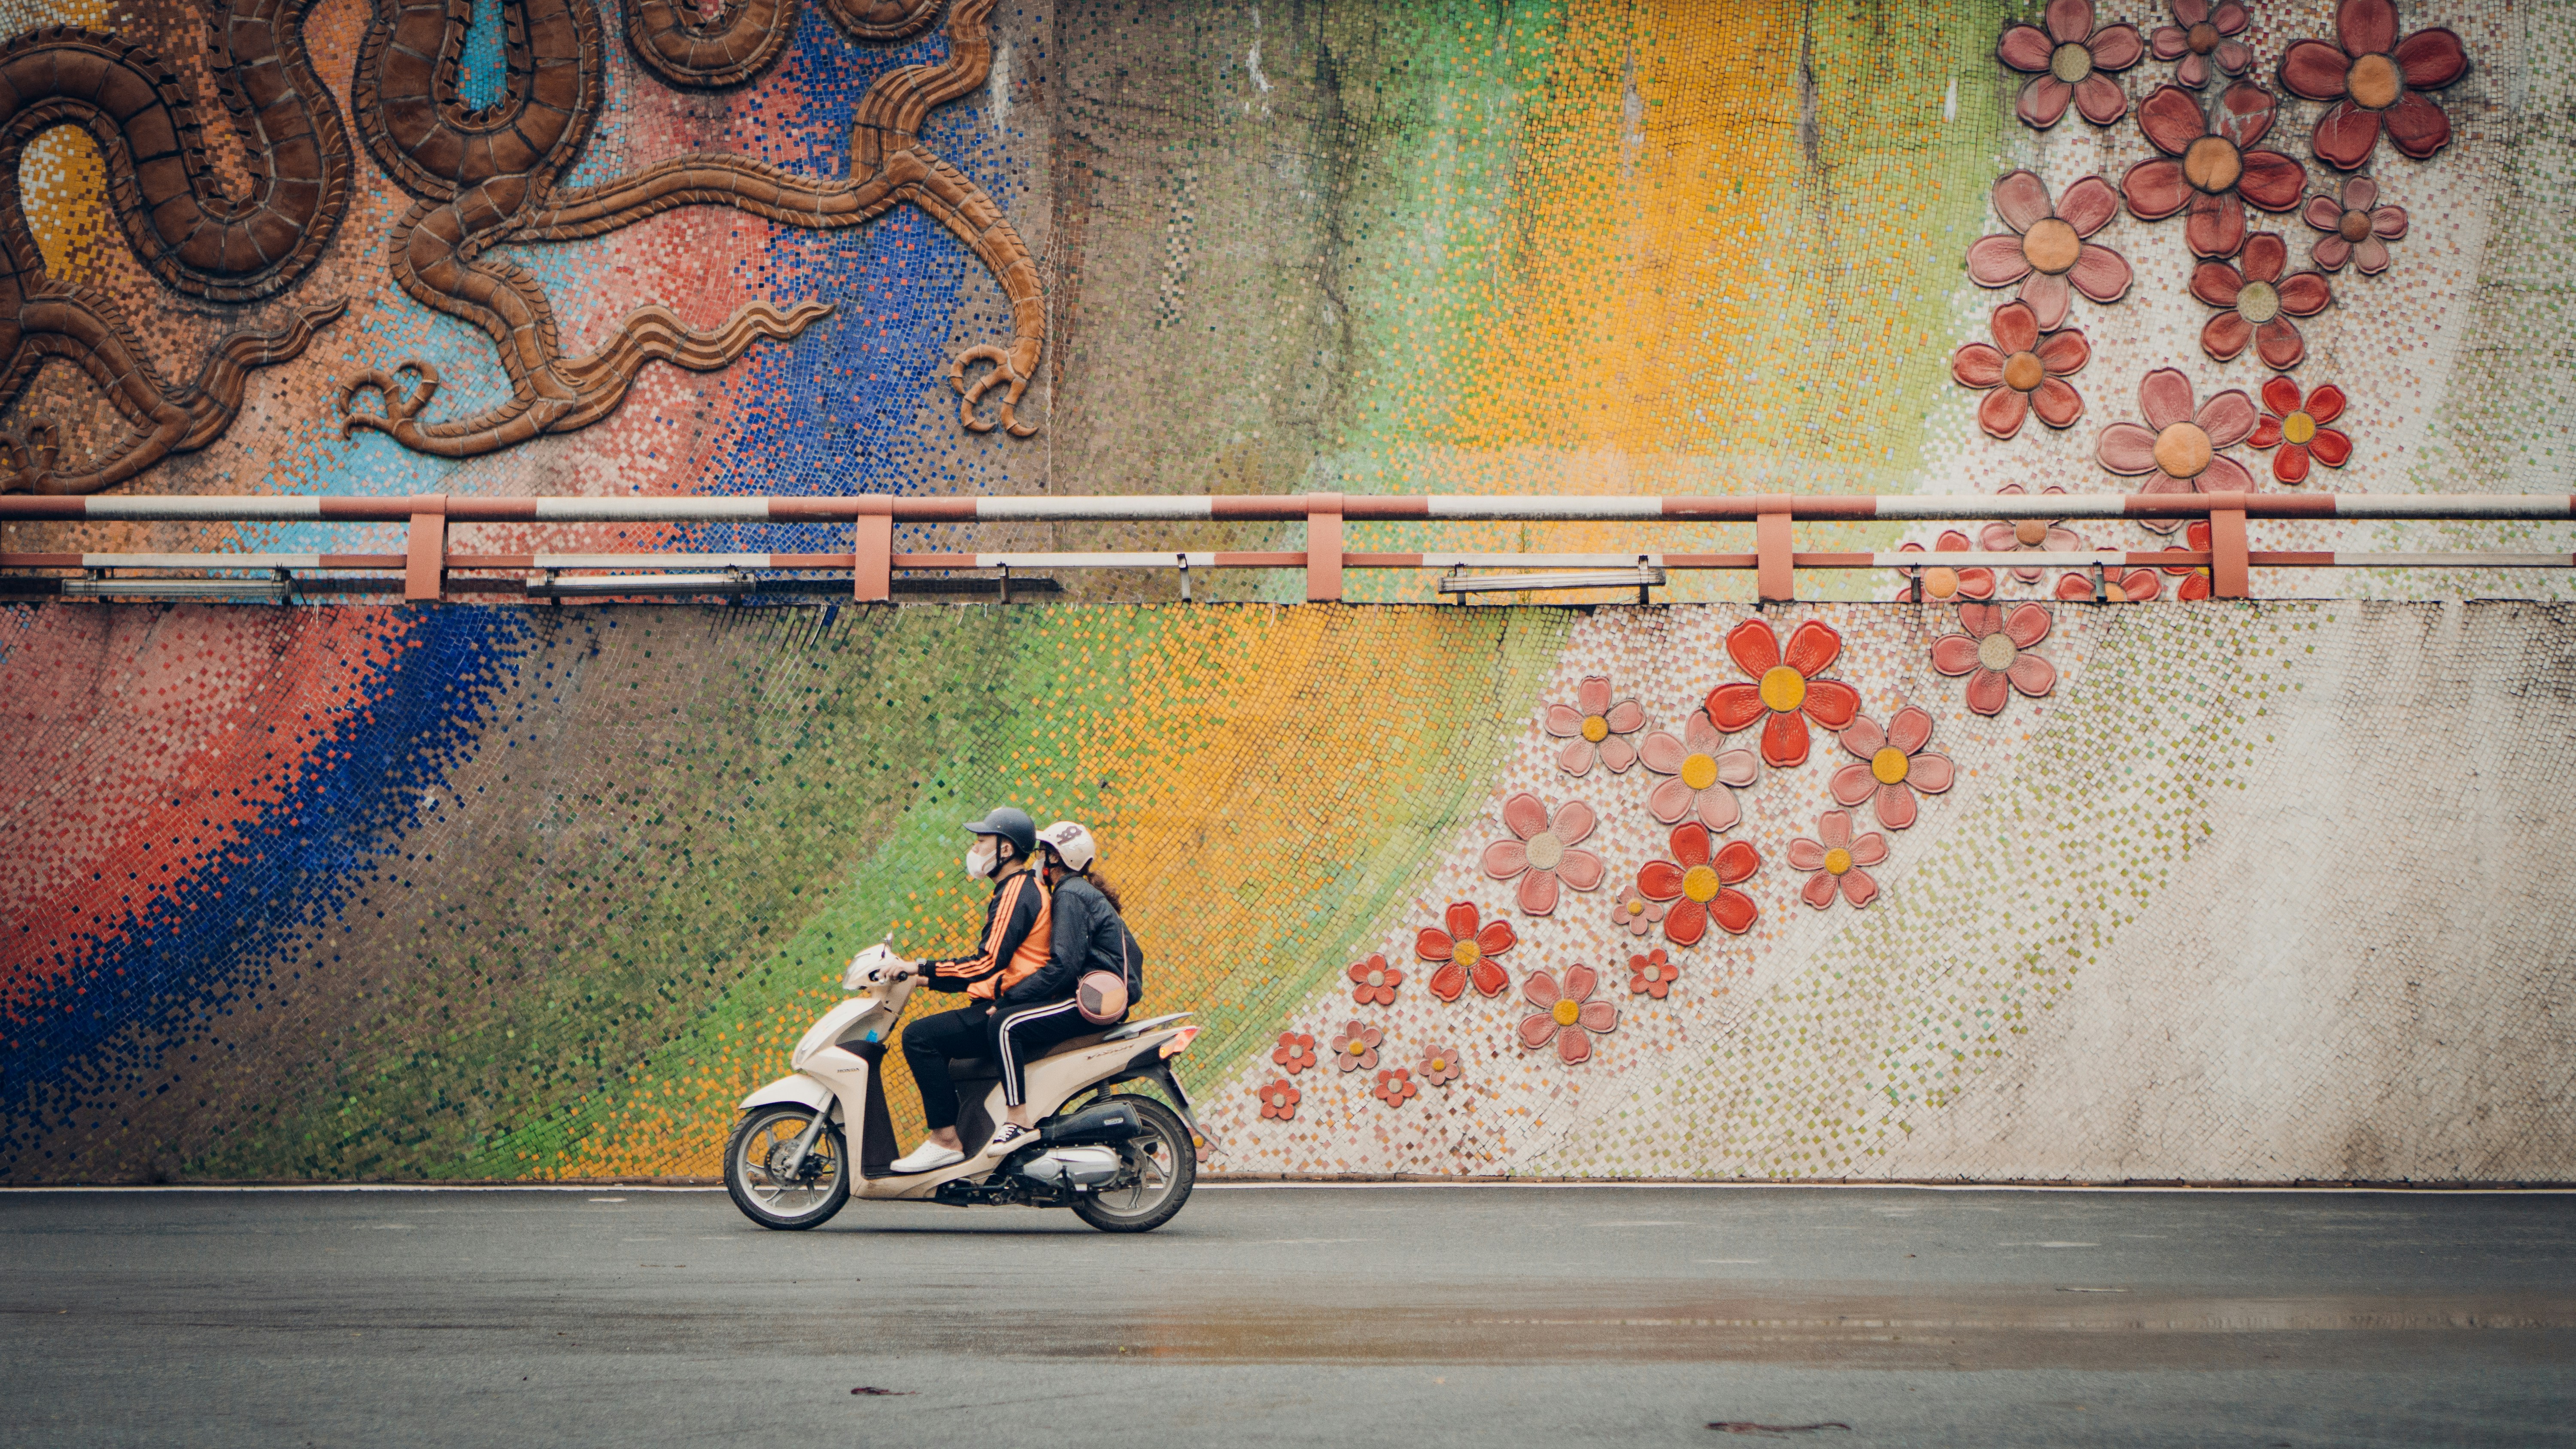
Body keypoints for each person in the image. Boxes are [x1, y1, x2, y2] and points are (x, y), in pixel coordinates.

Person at [887, 806, 1051, 1174]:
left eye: (981, 841)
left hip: (1006, 1008)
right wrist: (923, 979)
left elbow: (986, 964)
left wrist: (917, 966)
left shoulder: (1016, 892)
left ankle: (946, 1141)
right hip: (1002, 1000)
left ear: (1005, 850)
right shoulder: (1016, 889)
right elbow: (991, 970)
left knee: (919, 1037)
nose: (974, 849)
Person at [981, 820, 1142, 1145]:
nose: (1039, 859)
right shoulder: (1079, 891)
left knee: (1005, 1025)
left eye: (1044, 853)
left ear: (1057, 860)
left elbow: (1063, 967)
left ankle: (1018, 1121)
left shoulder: (1069, 895)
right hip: (1095, 994)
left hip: (1091, 999)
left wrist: (1010, 998)